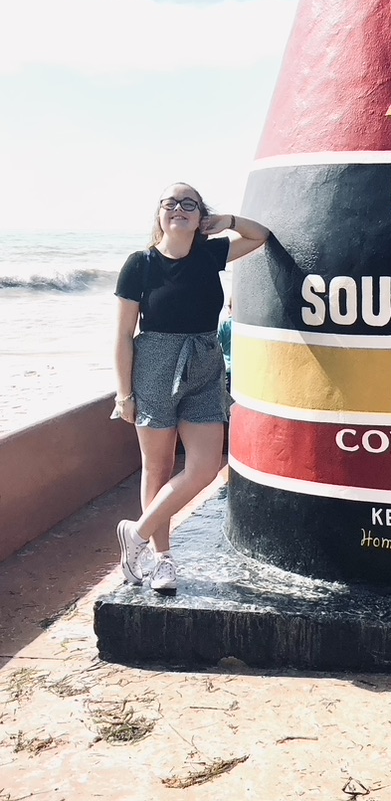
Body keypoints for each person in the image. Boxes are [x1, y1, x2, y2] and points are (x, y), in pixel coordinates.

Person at [113, 182, 269, 593]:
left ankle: (136, 534)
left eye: (190, 204)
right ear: (159, 215)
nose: (179, 209)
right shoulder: (140, 264)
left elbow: (260, 235)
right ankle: (161, 560)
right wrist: (124, 394)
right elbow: (123, 334)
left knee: (203, 466)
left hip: (204, 361)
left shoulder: (211, 254)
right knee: (158, 467)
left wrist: (228, 221)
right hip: (154, 366)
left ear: (200, 217)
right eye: (171, 203)